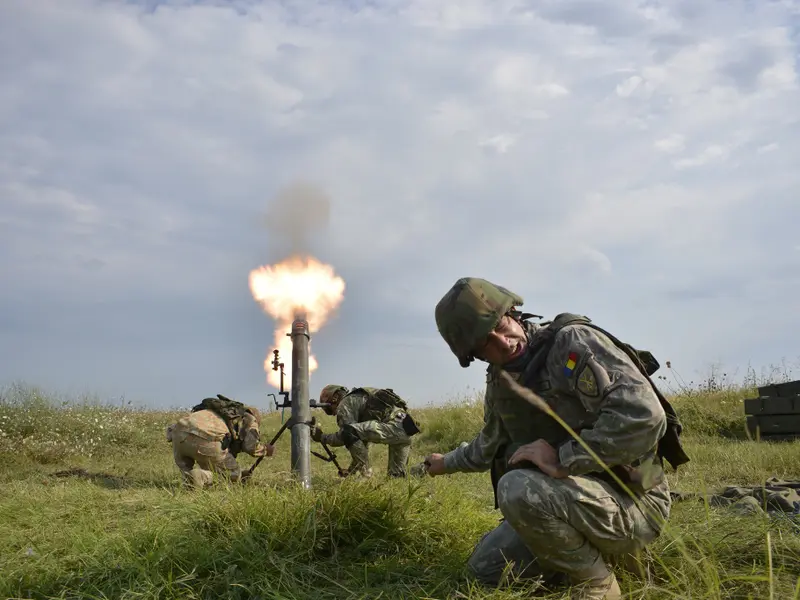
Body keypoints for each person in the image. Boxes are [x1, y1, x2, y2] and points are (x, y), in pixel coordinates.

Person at [424, 277, 689, 600]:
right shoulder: (501, 381)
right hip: (573, 500)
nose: (504, 343)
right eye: (485, 342)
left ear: (513, 311)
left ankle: (597, 583)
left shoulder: (571, 343)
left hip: (635, 499)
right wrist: (444, 463)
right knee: (486, 570)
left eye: (501, 324)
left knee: (516, 488)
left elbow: (644, 417)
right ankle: (590, 553)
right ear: (475, 355)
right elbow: (486, 445)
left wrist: (563, 459)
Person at [311, 385, 421, 478]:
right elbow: (359, 447)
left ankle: (365, 477)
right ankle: (426, 467)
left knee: (348, 432)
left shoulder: (345, 403)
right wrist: (351, 472)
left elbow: (346, 435)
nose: (334, 414)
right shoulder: (360, 398)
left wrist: (322, 437)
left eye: (328, 409)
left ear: (334, 398)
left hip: (393, 427)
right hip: (406, 430)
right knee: (396, 478)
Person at [166, 397, 274, 488]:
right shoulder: (250, 418)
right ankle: (202, 476)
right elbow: (250, 446)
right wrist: (265, 449)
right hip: (206, 437)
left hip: (178, 432)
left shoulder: (219, 412)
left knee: (187, 469)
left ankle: (189, 481)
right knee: (234, 475)